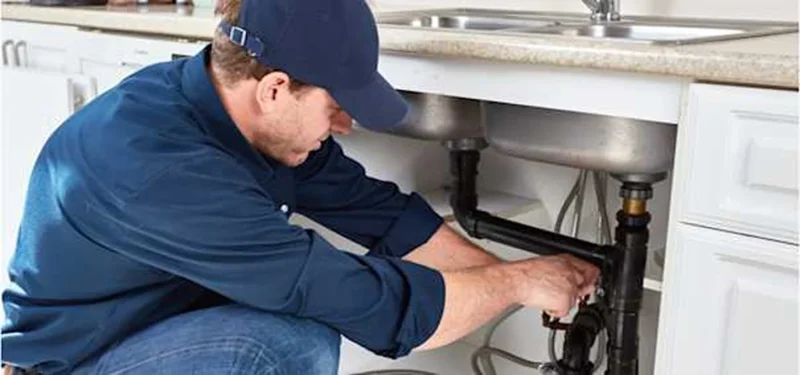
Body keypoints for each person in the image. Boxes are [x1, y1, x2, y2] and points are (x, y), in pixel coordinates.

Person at [1, 0, 600, 373]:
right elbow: (376, 308)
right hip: (82, 362)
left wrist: (513, 277)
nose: (345, 125)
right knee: (287, 345)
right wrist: (518, 281)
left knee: (296, 328)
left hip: (160, 324)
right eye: (337, 105)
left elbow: (382, 215)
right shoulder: (162, 170)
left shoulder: (233, 113)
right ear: (274, 89)